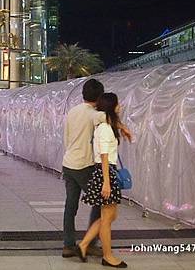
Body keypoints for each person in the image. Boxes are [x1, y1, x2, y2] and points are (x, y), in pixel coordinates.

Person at [77, 93, 128, 268]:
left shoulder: (106, 126)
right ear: (111, 106)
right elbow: (105, 156)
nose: (119, 106)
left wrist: (123, 128)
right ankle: (107, 256)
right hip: (105, 172)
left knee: (110, 215)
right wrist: (107, 182)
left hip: (105, 172)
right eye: (117, 103)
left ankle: (84, 244)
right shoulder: (105, 129)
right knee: (107, 218)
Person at [61, 79, 106, 259]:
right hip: (84, 166)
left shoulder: (72, 112)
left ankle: (68, 245)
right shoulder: (95, 114)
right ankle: (90, 242)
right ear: (100, 96)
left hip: (69, 163)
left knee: (70, 206)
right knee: (101, 203)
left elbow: (66, 138)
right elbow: (111, 118)